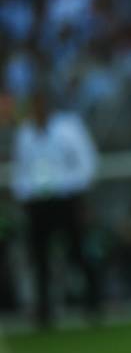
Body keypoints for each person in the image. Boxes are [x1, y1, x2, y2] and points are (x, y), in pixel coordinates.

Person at [11, 87, 101, 328]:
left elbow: (87, 161)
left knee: (78, 253)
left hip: (66, 197)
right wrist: (23, 194)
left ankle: (92, 306)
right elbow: (21, 169)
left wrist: (79, 192)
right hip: (38, 202)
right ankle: (44, 313)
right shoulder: (25, 133)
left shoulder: (69, 128)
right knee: (40, 258)